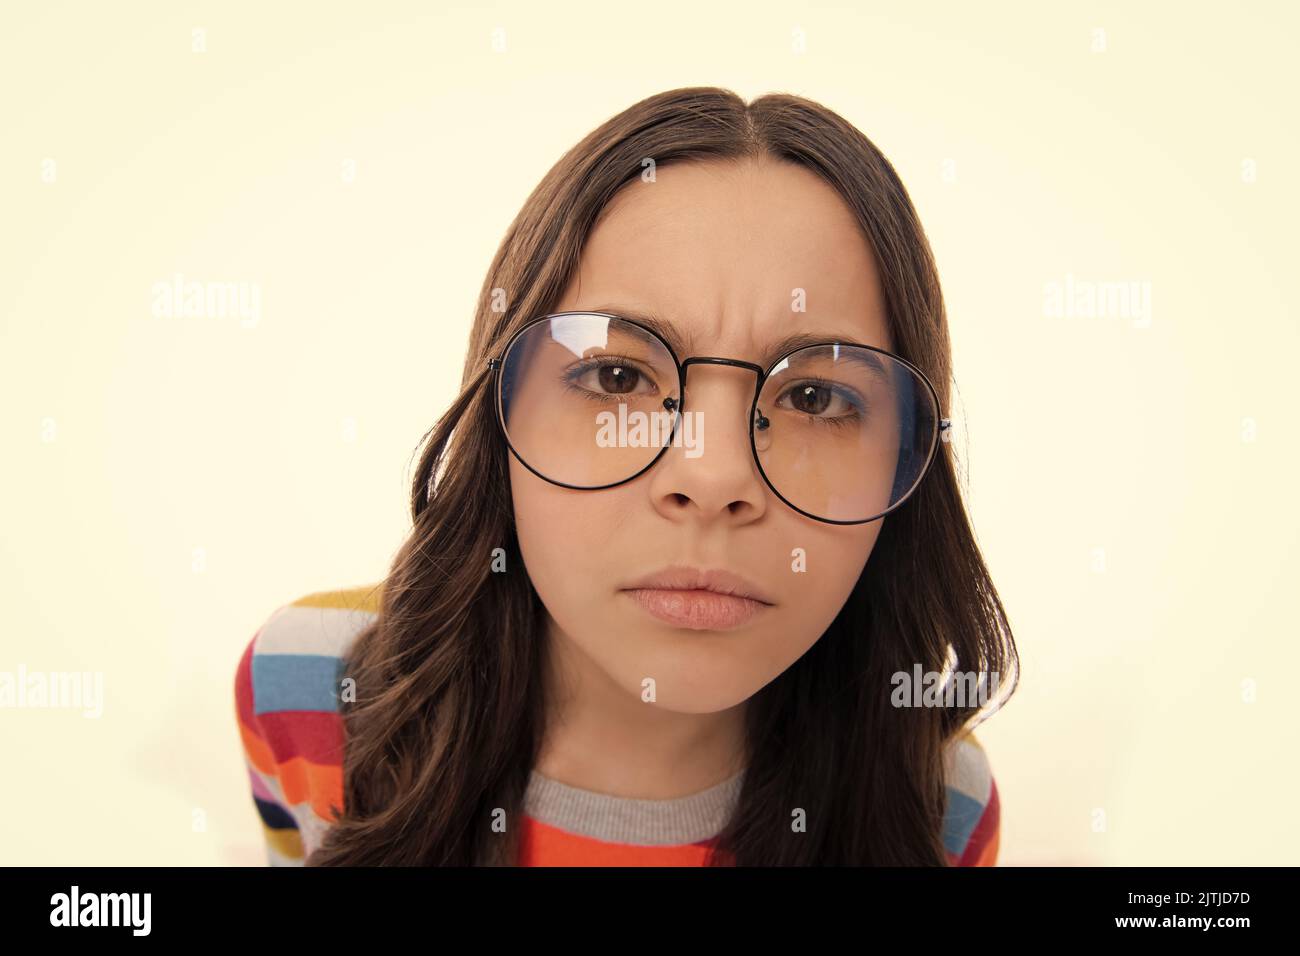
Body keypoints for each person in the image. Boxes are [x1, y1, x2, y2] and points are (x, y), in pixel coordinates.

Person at [234, 86, 1018, 866]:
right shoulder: (307, 689)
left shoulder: (939, 806)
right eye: (615, 377)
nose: (712, 478)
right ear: (497, 417)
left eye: (815, 397)